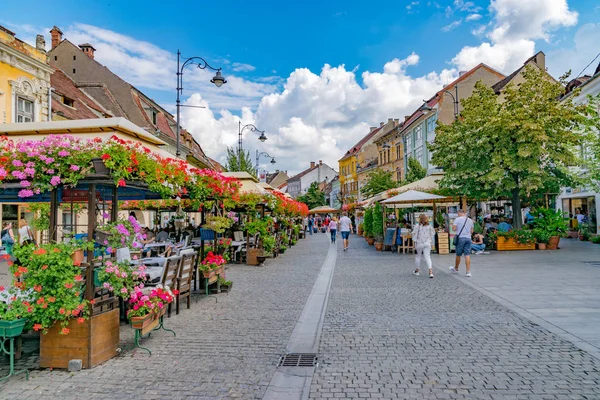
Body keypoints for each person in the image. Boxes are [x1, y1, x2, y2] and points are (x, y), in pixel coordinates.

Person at [449, 209, 474, 277]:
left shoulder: (457, 219)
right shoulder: (470, 220)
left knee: (458, 254)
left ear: (460, 213)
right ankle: (468, 272)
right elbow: (472, 231)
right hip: (468, 238)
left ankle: (456, 268)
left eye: (458, 213)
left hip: (461, 238)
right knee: (467, 254)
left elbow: (454, 229)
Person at [412, 214, 436, 278]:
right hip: (427, 243)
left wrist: (414, 242)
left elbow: (414, 234)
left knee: (418, 256)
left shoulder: (417, 226)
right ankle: (430, 272)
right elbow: (433, 233)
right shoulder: (429, 226)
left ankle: (417, 271)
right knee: (428, 257)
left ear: (419, 219)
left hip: (419, 243)